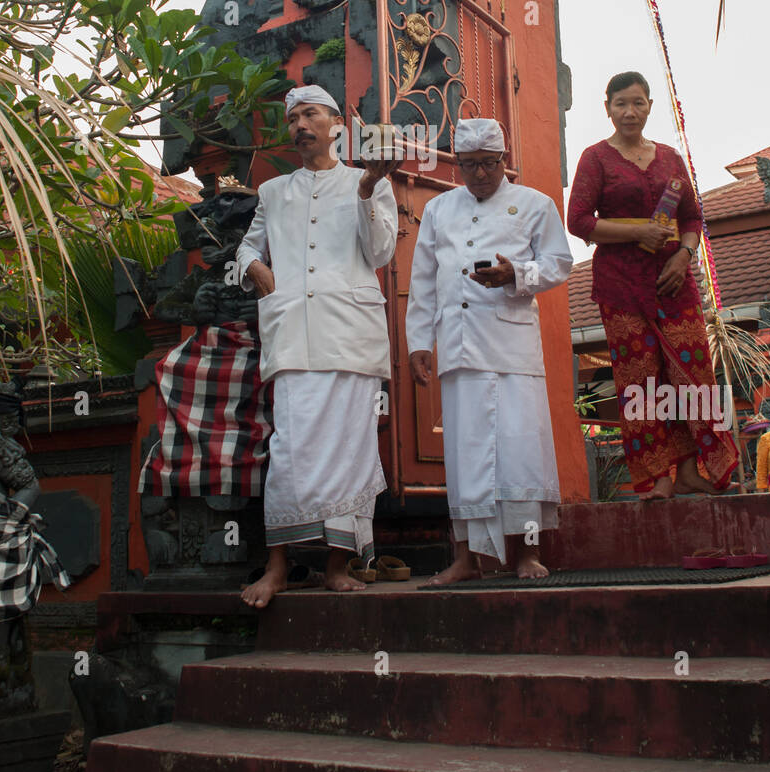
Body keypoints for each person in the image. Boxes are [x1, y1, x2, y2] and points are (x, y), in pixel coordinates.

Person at [235, 85, 397, 607]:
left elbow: (380, 251)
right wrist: (253, 266)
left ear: (335, 125)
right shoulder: (272, 192)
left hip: (350, 333)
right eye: (293, 118)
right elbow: (247, 245)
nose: (301, 125)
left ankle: (338, 564)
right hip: (292, 338)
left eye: (311, 115)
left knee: (351, 449)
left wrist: (371, 189)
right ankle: (278, 565)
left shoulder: (364, 181)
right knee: (289, 450)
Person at [405, 117, 573, 584]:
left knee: (523, 451)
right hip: (458, 345)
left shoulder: (535, 204)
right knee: (466, 453)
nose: (479, 174)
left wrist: (516, 275)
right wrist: (419, 340)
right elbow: (422, 281)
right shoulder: (439, 210)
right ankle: (465, 558)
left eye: (488, 164)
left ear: (504, 161)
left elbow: (559, 264)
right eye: (469, 165)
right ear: (458, 164)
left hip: (512, 345)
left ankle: (528, 553)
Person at [567, 71, 739, 499]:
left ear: (649, 106)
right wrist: (637, 233)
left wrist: (684, 255)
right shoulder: (595, 158)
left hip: (674, 282)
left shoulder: (669, 158)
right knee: (642, 382)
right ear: (607, 107)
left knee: (693, 376)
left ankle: (690, 470)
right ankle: (658, 477)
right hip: (622, 288)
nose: (630, 111)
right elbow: (578, 221)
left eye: (638, 103)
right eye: (621, 103)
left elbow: (693, 217)